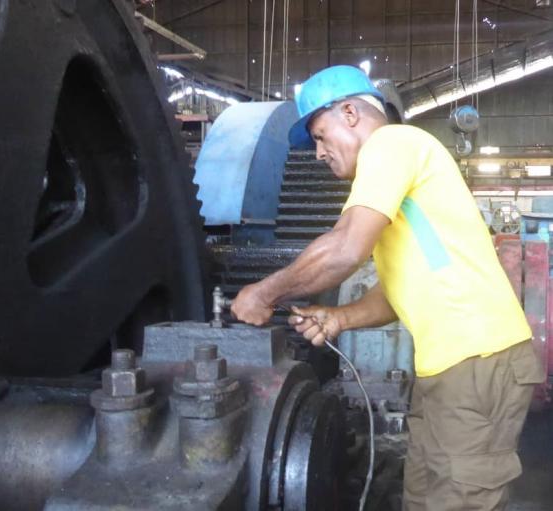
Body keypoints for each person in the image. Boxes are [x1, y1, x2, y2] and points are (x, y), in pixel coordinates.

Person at [230, 65, 545, 510]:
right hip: (449, 368)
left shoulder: (392, 144)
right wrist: (339, 317)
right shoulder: (394, 171)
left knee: (461, 500)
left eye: (320, 136)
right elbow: (394, 292)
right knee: (423, 497)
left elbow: (345, 248)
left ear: (350, 113)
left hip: (480, 361)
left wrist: (263, 293)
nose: (319, 153)